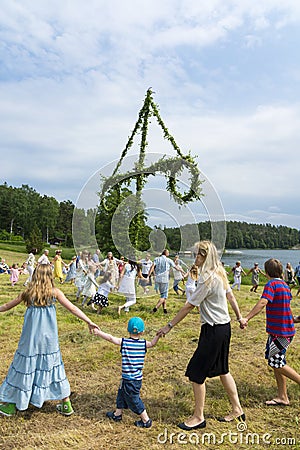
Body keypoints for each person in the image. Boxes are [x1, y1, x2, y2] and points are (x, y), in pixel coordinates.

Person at [158, 240, 245, 430]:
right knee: (223, 369)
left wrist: (168, 326)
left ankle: (198, 417)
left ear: (204, 256)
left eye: (196, 254)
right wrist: (239, 318)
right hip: (224, 327)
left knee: (196, 373)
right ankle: (237, 409)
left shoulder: (208, 278)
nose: (193, 257)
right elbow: (230, 296)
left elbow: (189, 305)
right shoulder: (219, 272)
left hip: (213, 330)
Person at [0, 264, 99, 417]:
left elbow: (6, 306)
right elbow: (72, 308)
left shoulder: (28, 293)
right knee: (53, 367)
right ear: (50, 276)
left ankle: (12, 404)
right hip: (49, 342)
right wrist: (89, 321)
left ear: (35, 275)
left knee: (23, 367)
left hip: (30, 342)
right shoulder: (55, 293)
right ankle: (65, 403)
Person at [240, 258, 300, 406]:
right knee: (276, 362)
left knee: (277, 363)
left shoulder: (271, 284)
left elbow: (263, 302)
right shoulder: (285, 286)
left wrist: (246, 317)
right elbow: (285, 307)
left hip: (281, 332)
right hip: (281, 331)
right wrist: (294, 319)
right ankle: (282, 396)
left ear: (266, 273)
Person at [93, 317, 161, 428]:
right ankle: (117, 414)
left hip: (130, 380)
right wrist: (157, 335)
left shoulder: (124, 342)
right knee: (121, 394)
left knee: (134, 400)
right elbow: (153, 343)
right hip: (134, 379)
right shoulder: (144, 344)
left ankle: (146, 420)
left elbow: (110, 338)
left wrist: (99, 332)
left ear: (128, 330)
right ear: (142, 332)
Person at [149, 249, 182, 314]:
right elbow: (176, 267)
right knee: (164, 296)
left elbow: (152, 267)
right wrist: (181, 271)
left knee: (162, 294)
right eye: (168, 252)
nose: (169, 253)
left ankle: (165, 309)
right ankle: (155, 308)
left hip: (158, 279)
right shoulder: (169, 260)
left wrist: (149, 275)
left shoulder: (157, 259)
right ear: (166, 253)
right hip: (164, 279)